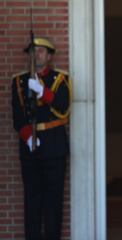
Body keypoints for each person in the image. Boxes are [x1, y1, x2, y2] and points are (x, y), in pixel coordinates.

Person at [11, 37, 71, 239]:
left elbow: (64, 108)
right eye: (32, 51)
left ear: (49, 55)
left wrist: (42, 92)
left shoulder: (60, 79)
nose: (36, 54)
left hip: (54, 145)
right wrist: (28, 137)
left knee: (53, 202)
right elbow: (17, 116)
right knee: (32, 200)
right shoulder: (18, 81)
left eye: (40, 51)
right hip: (30, 147)